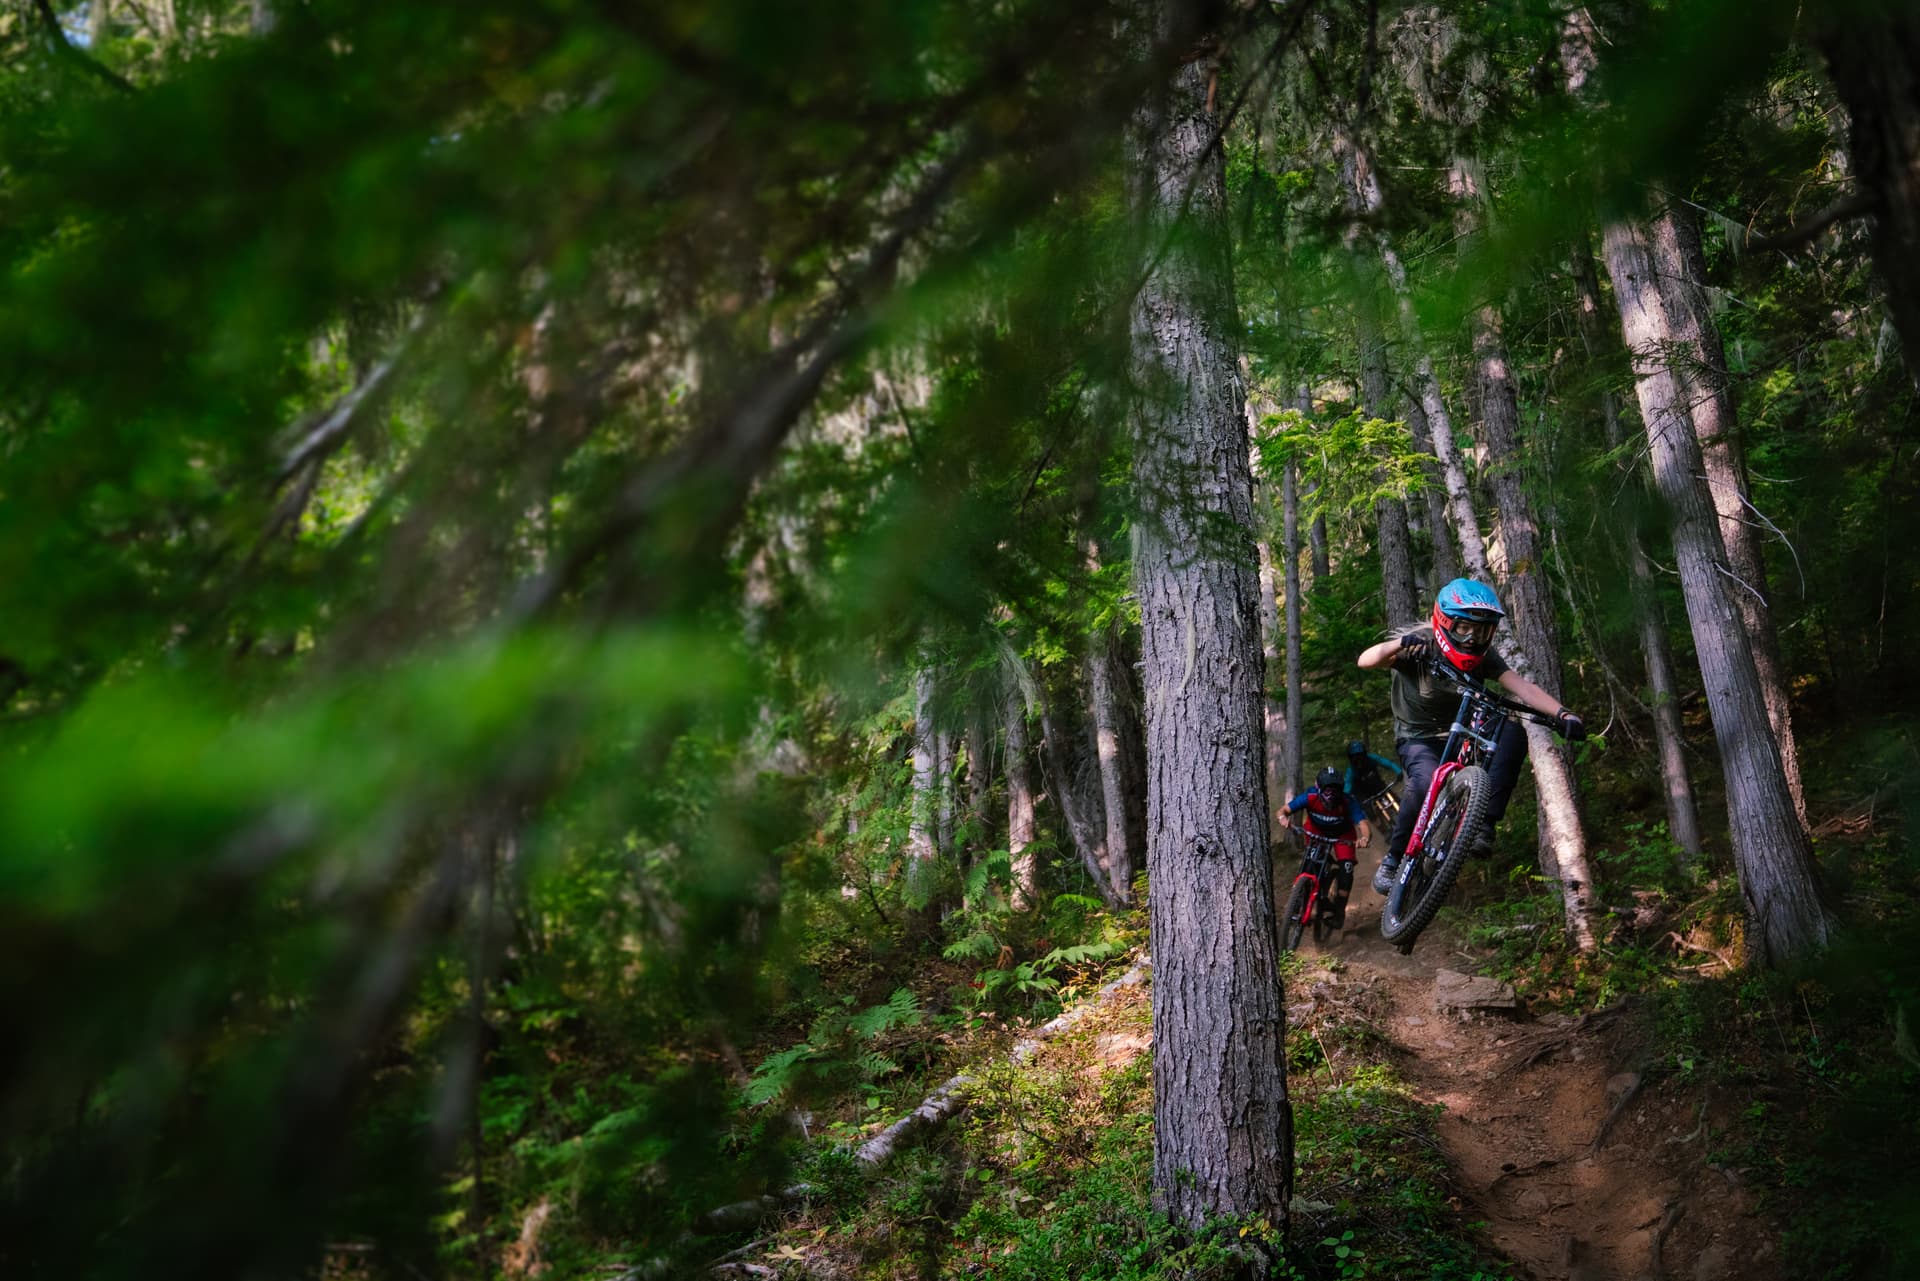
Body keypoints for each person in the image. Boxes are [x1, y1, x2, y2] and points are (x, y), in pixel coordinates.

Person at [1355, 578, 1586, 894]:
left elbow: (1523, 688)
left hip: (1464, 727)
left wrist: (1563, 713)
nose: (1472, 638)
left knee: (1512, 732)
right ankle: (1394, 861)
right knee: (1423, 783)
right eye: (1464, 628)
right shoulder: (1423, 643)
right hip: (1418, 737)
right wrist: (1403, 644)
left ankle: (1483, 825)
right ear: (1446, 623)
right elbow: (1366, 661)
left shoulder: (1485, 658)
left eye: (1482, 630)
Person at [1278, 765, 1372, 927]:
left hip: (1343, 835)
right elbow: (1284, 810)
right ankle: (1297, 902)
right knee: (1310, 862)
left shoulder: (1347, 801)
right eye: (1327, 791)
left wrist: (1364, 838)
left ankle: (1339, 913)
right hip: (1316, 832)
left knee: (1346, 869)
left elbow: (1362, 823)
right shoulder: (1310, 797)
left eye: (1335, 791)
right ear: (1318, 788)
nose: (1331, 795)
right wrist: (1282, 818)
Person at [1343, 738, 1403, 803]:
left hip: (1380, 788)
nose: (1358, 759)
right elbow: (1348, 784)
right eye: (1355, 757)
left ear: (1364, 754)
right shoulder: (1351, 770)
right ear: (1351, 758)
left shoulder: (1371, 758)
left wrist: (1398, 771)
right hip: (1365, 797)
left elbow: (1388, 763)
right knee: (1367, 810)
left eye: (1360, 755)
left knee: (1399, 802)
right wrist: (1346, 796)